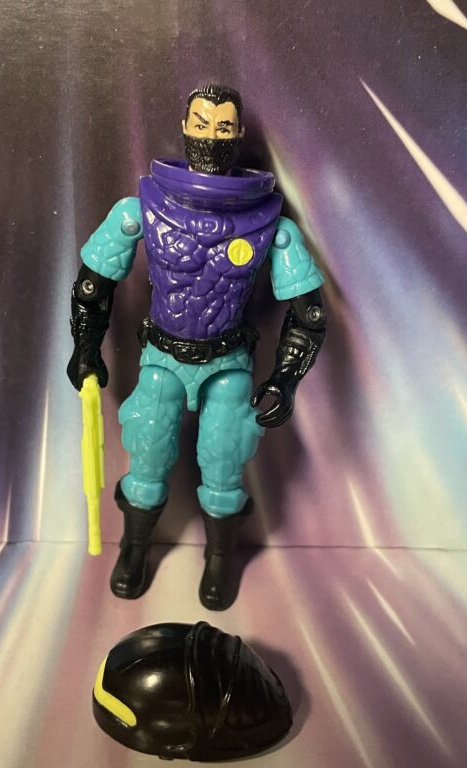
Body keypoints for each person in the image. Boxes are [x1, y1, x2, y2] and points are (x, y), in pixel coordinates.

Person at [67, 84, 327, 610]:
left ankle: (220, 556)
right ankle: (135, 547)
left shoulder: (270, 226)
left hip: (228, 362)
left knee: (225, 462)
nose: (212, 136)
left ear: (238, 135)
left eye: (224, 127)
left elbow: (309, 314)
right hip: (162, 357)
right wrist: (86, 348)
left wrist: (285, 379)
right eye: (203, 124)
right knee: (147, 456)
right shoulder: (141, 209)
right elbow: (93, 284)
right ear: (186, 128)